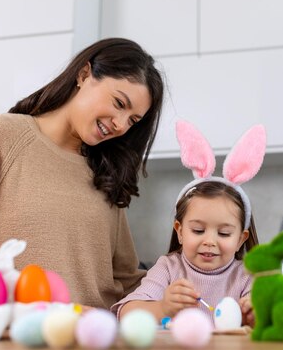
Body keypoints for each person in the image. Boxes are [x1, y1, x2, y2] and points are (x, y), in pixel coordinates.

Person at [0, 38, 164, 309]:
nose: (121, 125)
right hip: (16, 343)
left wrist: (182, 283)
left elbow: (127, 281)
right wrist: (41, 308)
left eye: (133, 121)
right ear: (84, 75)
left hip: (95, 343)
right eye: (119, 104)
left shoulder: (107, 172)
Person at [111, 121, 265, 326]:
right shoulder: (168, 269)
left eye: (224, 233)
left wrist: (254, 317)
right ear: (180, 231)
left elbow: (270, 322)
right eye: (198, 230)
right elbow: (125, 314)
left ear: (240, 239)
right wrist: (163, 307)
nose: (209, 241)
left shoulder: (247, 276)